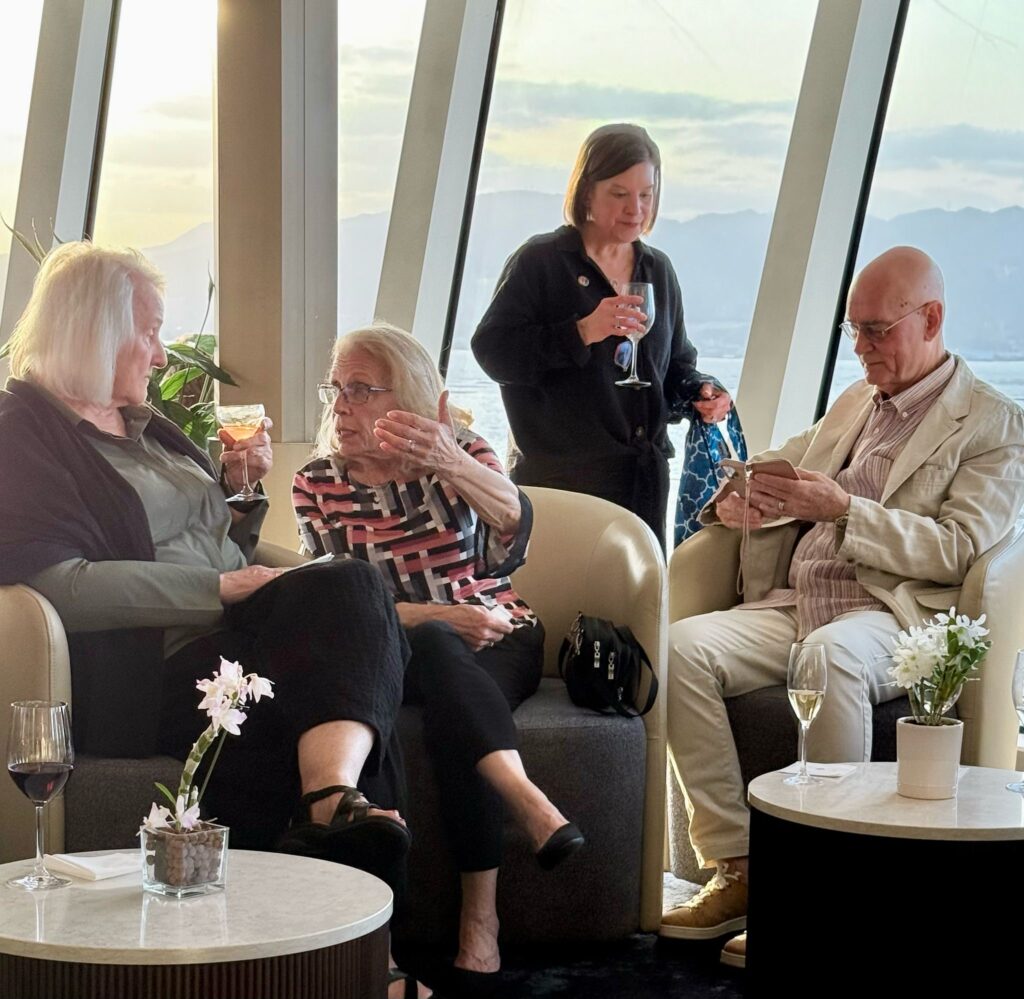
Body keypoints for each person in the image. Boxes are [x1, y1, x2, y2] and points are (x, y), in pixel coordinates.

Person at [0, 242, 413, 897]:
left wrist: (238, 491)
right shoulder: (22, 435)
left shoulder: (147, 426)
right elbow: (60, 586)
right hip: (149, 664)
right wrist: (217, 588)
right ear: (95, 332)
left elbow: (214, 538)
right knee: (352, 616)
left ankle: (336, 836)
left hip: (233, 630)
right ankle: (350, 868)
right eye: (150, 332)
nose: (162, 356)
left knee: (369, 664)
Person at [660, 246, 1024, 967]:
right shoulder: (857, 400)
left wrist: (844, 509)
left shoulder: (992, 423)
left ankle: (824, 896)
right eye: (852, 330)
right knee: (677, 649)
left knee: (827, 658)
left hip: (894, 613)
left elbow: (959, 549)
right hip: (800, 600)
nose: (861, 347)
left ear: (932, 319)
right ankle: (739, 867)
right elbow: (784, 462)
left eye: (877, 330)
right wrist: (742, 495)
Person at [292, 323, 584, 993]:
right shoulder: (317, 483)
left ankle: (479, 919)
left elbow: (514, 528)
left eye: (361, 389)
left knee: (450, 692)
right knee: (420, 664)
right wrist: (438, 618)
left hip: (500, 633)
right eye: (336, 388)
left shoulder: (464, 452)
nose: (342, 405)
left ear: (410, 396)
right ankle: (528, 804)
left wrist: (449, 459)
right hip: (401, 644)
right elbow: (339, 605)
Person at [472, 122, 731, 550]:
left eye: (646, 194)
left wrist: (702, 392)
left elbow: (675, 366)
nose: (636, 209)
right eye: (619, 194)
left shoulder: (658, 270)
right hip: (561, 485)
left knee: (637, 593)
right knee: (560, 592)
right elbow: (493, 353)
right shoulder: (541, 261)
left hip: (642, 484)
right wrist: (582, 332)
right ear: (587, 192)